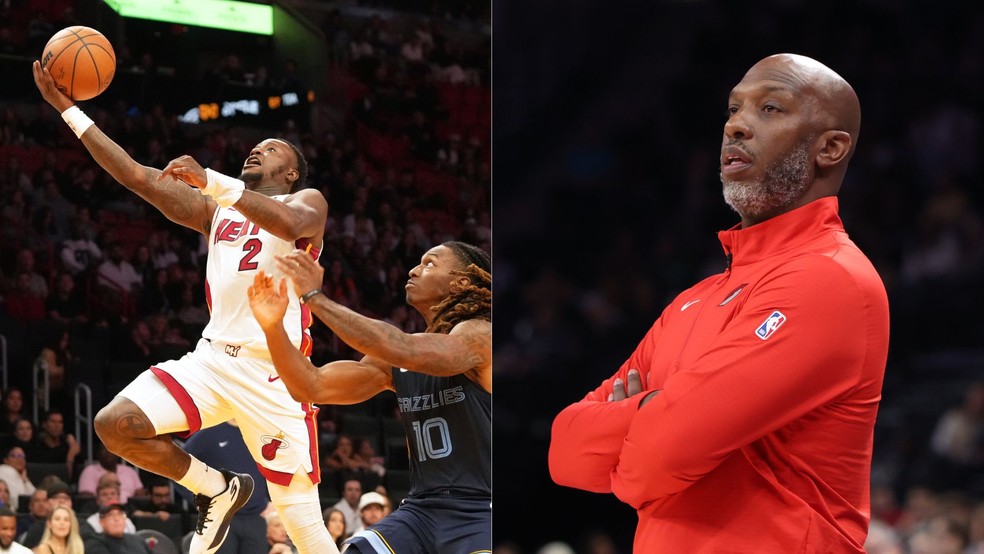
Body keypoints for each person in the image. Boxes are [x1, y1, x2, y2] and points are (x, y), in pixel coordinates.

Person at [547, 53, 891, 553]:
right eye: (733, 108)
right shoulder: (694, 299)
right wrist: (656, 412)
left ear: (831, 148)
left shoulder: (830, 279)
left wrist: (642, 424)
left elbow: (660, 456)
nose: (736, 126)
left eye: (770, 109)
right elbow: (566, 452)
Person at [33, 59, 337, 554]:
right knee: (114, 425)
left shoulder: (308, 200)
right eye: (257, 145)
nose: (258, 148)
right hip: (212, 360)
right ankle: (217, 487)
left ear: (292, 171)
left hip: (275, 374)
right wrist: (68, 110)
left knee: (304, 528)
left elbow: (290, 223)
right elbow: (135, 176)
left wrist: (215, 180)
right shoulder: (214, 211)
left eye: (273, 148)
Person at [247, 240, 491, 553]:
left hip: (482, 509)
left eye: (430, 263)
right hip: (420, 510)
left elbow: (406, 348)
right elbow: (310, 385)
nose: (414, 270)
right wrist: (272, 328)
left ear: (462, 281)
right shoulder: (397, 360)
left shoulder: (482, 336)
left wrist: (315, 298)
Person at [77, 443, 145, 504]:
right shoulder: (90, 471)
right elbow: (86, 500)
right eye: (104, 449)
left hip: (129, 511)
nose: (108, 452)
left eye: (112, 449)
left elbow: (141, 496)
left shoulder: (129, 471)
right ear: (98, 453)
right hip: (101, 511)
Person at [82, 504, 149, 554]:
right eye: (110, 515)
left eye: (120, 514)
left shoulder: (137, 540)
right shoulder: (94, 543)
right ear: (101, 522)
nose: (116, 519)